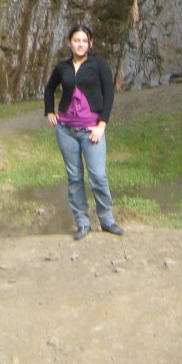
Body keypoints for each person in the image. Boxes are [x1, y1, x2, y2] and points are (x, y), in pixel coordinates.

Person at [44, 24, 124, 240]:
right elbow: (49, 88)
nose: (80, 44)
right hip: (66, 130)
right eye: (76, 40)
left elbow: (109, 96)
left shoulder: (99, 65)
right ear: (70, 43)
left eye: (84, 41)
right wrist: (49, 111)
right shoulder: (63, 67)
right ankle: (82, 223)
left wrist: (101, 126)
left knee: (98, 176)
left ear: (90, 43)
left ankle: (107, 220)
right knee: (75, 178)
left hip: (92, 131)